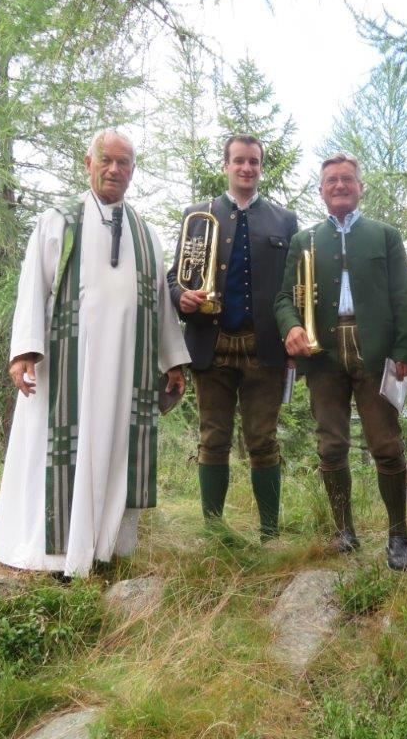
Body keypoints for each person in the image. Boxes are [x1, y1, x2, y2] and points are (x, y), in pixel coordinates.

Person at [0, 129, 190, 577]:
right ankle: (48, 554)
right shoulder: (58, 221)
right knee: (58, 453)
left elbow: (160, 304)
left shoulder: (146, 234)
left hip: (125, 371)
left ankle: (104, 548)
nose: (115, 170)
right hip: (68, 367)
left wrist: (173, 361)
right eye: (106, 160)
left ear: (133, 170)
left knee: (116, 451)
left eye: (124, 162)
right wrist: (24, 351)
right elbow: (33, 286)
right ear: (88, 164)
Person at [274, 153, 407, 570]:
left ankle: (398, 537)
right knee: (331, 445)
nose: (340, 186)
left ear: (360, 187)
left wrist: (405, 350)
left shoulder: (385, 235)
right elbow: (284, 298)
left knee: (386, 445)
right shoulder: (304, 240)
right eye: (332, 181)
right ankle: (344, 531)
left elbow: (402, 295)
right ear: (321, 191)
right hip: (322, 353)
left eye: (347, 179)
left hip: (376, 351)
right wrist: (291, 328)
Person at [168, 134, 297, 540]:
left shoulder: (284, 220)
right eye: (239, 160)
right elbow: (174, 277)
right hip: (212, 345)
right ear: (226, 165)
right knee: (213, 439)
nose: (246, 168)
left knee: (263, 441)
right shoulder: (197, 215)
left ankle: (270, 534)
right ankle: (214, 532)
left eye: (253, 161)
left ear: (260, 167)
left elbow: (294, 286)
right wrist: (181, 297)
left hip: (265, 348)